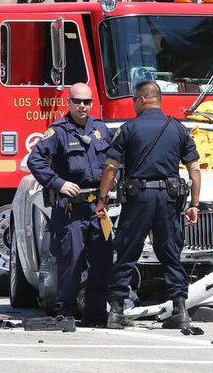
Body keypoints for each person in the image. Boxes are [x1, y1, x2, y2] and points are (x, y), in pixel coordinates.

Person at [95, 81, 203, 332]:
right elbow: (195, 171)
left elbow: (111, 168)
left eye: (134, 100)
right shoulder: (177, 128)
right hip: (168, 200)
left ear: (142, 100)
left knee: (127, 252)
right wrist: (194, 204)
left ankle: (116, 312)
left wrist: (102, 199)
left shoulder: (129, 128)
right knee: (170, 253)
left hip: (138, 199)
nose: (133, 105)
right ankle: (181, 311)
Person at [27, 83, 113, 326]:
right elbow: (35, 160)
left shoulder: (101, 129)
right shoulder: (58, 131)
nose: (82, 106)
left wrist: (112, 184)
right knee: (71, 260)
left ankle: (96, 312)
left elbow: (116, 160)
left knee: (103, 259)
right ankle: (66, 311)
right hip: (70, 209)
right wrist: (58, 183)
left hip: (99, 208)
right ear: (68, 102)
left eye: (87, 102)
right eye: (77, 101)